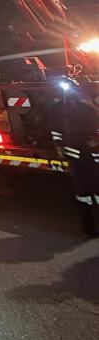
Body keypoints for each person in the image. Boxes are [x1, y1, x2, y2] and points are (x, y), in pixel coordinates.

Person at [50, 81, 99, 236]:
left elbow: (56, 131)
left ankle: (89, 228)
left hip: (76, 157)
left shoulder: (57, 110)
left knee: (83, 193)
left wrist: (60, 147)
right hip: (92, 157)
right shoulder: (88, 109)